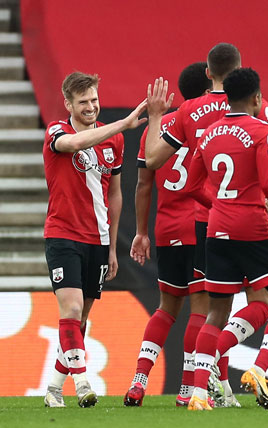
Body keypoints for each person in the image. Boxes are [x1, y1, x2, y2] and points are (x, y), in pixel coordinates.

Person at [158, 67, 268, 410]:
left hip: (216, 231)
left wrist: (222, 206)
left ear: (226, 97)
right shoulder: (261, 130)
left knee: (216, 313)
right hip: (255, 229)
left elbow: (191, 186)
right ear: (257, 98)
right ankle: (259, 368)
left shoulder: (210, 133)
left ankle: (198, 394)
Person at [142, 43, 268, 408]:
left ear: (208, 73)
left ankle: (204, 386)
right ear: (240, 71)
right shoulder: (258, 107)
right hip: (252, 221)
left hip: (206, 223)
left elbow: (152, 162)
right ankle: (220, 375)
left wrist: (156, 116)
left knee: (212, 310)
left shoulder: (187, 111)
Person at [42, 72, 147, 407]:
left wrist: (112, 246)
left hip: (98, 240)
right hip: (62, 235)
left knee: (80, 320)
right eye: (83, 101)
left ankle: (55, 389)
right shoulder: (57, 131)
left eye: (93, 99)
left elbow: (114, 194)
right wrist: (123, 125)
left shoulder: (112, 141)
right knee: (70, 309)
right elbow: (73, 144)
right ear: (69, 104)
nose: (90, 106)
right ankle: (84, 382)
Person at [123, 62, 213, 407]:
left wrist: (141, 232)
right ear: (207, 91)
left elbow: (144, 185)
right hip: (202, 223)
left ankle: (138, 380)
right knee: (201, 310)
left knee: (166, 309)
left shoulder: (156, 131)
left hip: (167, 227)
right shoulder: (211, 125)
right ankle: (188, 390)